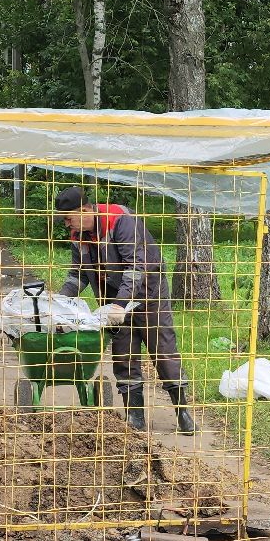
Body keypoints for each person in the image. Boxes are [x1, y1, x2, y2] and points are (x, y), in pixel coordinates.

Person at [54, 185, 197, 434]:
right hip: (113, 299)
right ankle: (135, 415)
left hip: (148, 294)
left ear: (85, 210)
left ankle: (182, 410)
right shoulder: (78, 236)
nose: (67, 225)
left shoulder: (120, 220)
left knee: (163, 349)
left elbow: (136, 266)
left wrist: (121, 304)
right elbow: (78, 275)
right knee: (123, 354)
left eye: (68, 218)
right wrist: (58, 302)